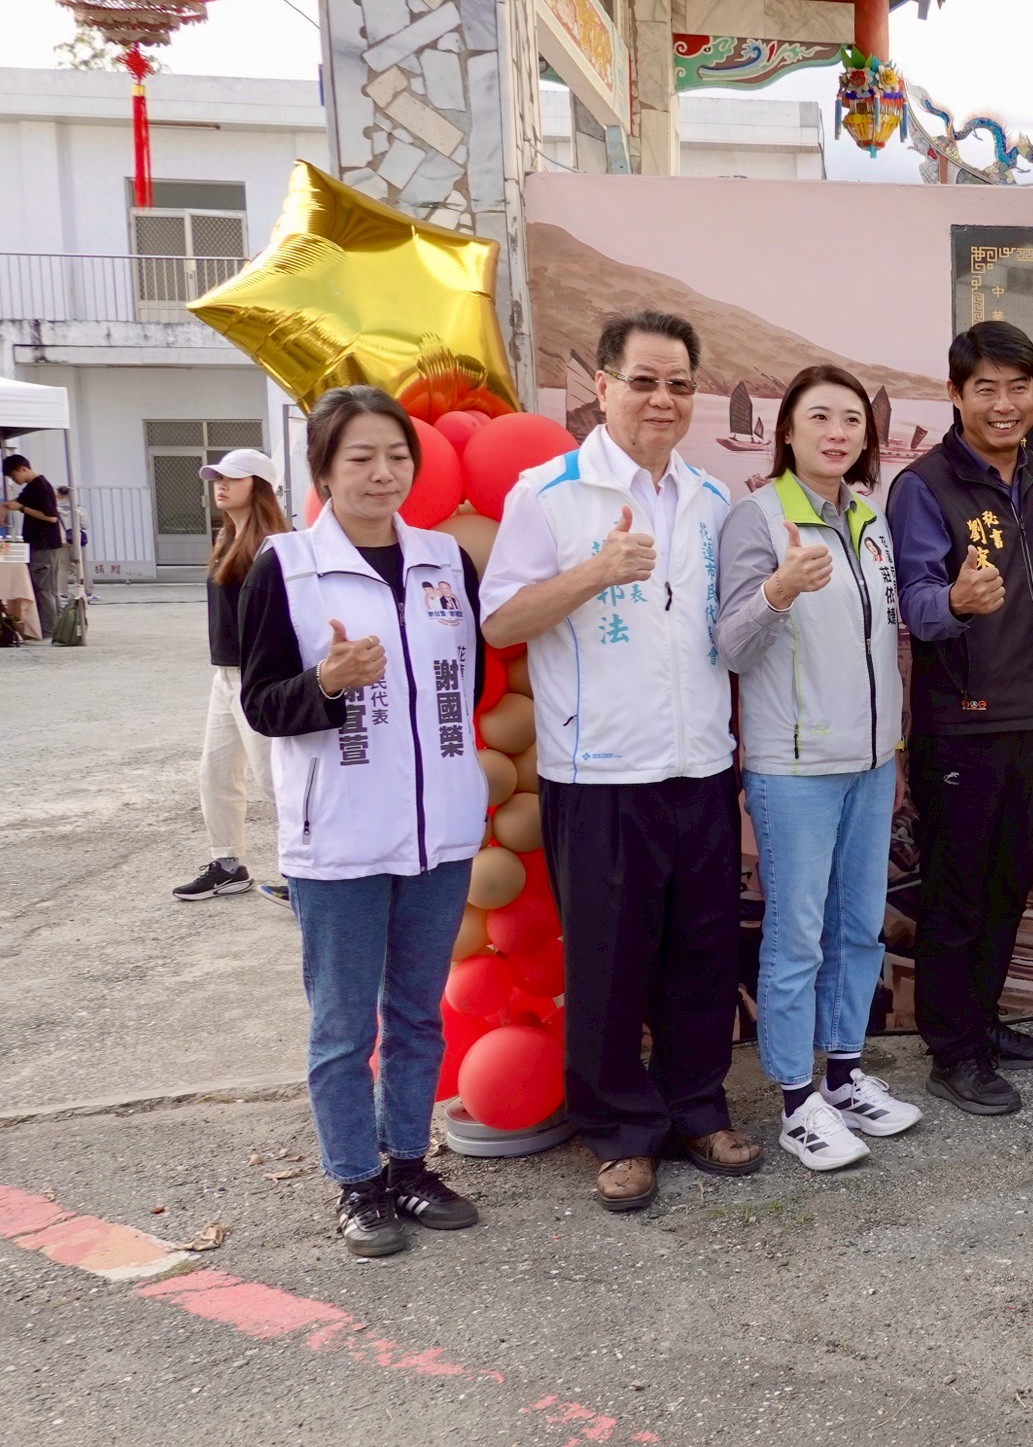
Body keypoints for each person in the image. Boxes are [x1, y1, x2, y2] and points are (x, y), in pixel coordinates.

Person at [481, 309, 764, 1212]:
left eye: (679, 383)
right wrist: (593, 574)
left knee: (702, 952)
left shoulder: (717, 500)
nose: (662, 399)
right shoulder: (549, 493)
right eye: (643, 380)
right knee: (607, 960)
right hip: (598, 775)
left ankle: (695, 1106)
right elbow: (499, 623)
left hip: (701, 767)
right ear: (601, 387)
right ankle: (619, 1130)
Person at [237, 388, 486, 1257]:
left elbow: (467, 683)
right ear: (322, 472)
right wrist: (329, 683)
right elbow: (263, 703)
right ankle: (355, 1181)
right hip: (338, 838)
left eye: (396, 456)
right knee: (343, 1024)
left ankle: (407, 1165)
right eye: (360, 459)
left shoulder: (445, 562)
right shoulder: (286, 567)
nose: (383, 474)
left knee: (417, 1014)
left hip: (438, 832)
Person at [719, 363, 921, 1169]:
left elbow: (889, 643)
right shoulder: (758, 520)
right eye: (819, 419)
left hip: (871, 763)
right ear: (789, 433)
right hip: (794, 767)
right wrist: (777, 588)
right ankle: (795, 1100)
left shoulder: (871, 519)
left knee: (858, 926)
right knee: (797, 936)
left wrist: (893, 751)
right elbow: (729, 643)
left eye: (850, 420)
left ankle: (844, 1075)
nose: (837, 433)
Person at [888, 321, 1033, 1117]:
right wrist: (958, 601)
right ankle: (951, 1051)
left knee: (1007, 885)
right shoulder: (925, 486)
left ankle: (984, 1024)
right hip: (961, 724)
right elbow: (918, 603)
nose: (1004, 404)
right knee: (958, 892)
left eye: (1018, 387)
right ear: (956, 395)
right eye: (985, 388)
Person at [176, 448, 294, 904]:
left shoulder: (274, 546)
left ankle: (305, 874)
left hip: (258, 677)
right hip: (224, 675)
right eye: (216, 478)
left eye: (232, 478)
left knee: (275, 778)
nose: (219, 485)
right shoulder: (226, 537)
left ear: (260, 487)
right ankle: (228, 865)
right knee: (216, 772)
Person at [2, 452, 64, 639]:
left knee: (43, 589)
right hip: (39, 545)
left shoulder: (40, 487)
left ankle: (49, 629)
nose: (14, 480)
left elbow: (51, 517)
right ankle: (53, 626)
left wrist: (21, 509)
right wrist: (6, 506)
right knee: (45, 589)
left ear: (24, 468)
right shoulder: (31, 488)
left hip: (44, 545)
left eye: (14, 476)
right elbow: (17, 502)